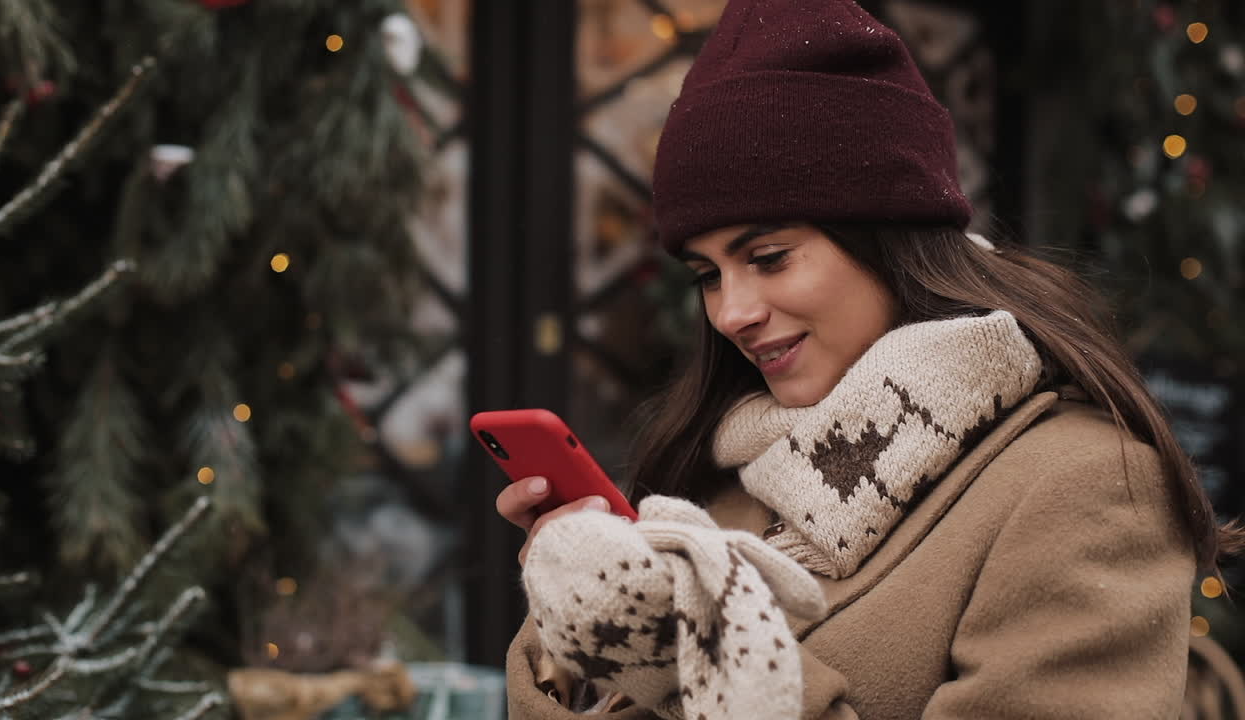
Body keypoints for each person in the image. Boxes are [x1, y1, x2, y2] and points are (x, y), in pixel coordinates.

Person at [497, 0, 1240, 717]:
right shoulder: (725, 481)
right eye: (708, 274)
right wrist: (583, 621)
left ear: (890, 238)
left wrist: (692, 650)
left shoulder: (1085, 487)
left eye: (769, 256)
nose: (730, 312)